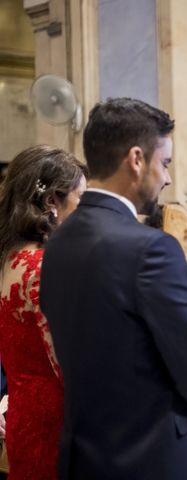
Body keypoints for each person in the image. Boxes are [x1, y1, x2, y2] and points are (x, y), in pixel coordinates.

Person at [39, 98, 187, 480]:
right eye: (165, 163)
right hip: (152, 455)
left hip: (82, 454)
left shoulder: (58, 241)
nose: (167, 178)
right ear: (137, 159)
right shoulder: (151, 248)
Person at [0, 146, 87, 479]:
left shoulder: (8, 258)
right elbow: (64, 363)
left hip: (24, 418)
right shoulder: (42, 267)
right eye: (81, 200)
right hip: (57, 425)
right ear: (52, 202)